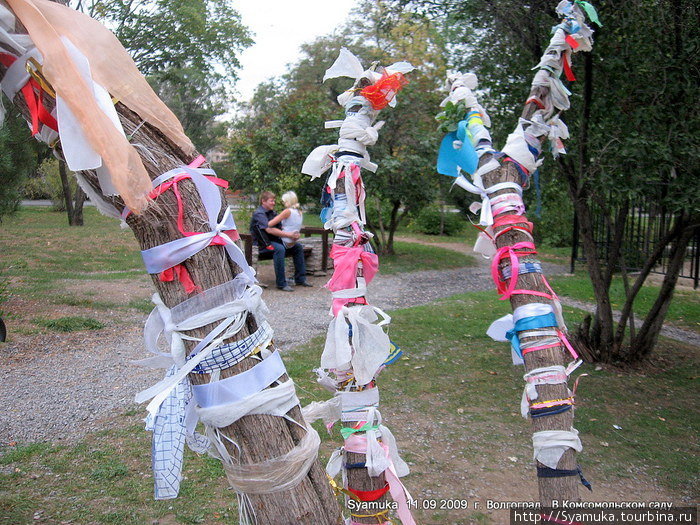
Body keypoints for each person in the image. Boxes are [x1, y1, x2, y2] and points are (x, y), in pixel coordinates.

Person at [250, 191, 312, 291]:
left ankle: (300, 279)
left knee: (298, 247)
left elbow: (281, 227)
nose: (274, 203)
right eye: (271, 201)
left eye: (274, 200)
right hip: (262, 244)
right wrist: (289, 235)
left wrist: (294, 235)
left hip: (274, 241)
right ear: (263, 201)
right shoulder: (259, 214)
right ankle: (281, 283)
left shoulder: (272, 213)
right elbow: (268, 229)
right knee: (280, 249)